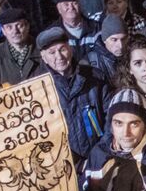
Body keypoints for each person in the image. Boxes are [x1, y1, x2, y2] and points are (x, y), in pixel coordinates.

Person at [37, 27, 105, 163]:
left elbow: (111, 116)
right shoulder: (39, 88)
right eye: (52, 52)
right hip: (64, 163)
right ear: (43, 57)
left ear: (70, 49)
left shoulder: (95, 77)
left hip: (100, 156)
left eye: (62, 49)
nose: (59, 57)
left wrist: (102, 152)